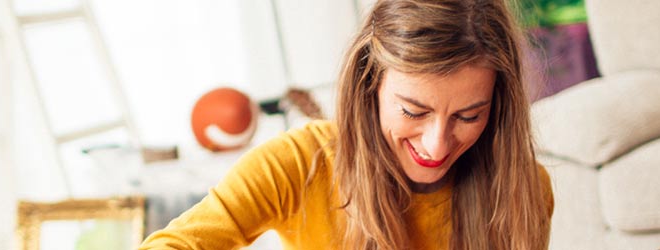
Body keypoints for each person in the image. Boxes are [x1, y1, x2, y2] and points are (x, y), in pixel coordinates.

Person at [139, 0, 553, 249]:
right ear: (370, 83)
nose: (437, 145)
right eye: (413, 112)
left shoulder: (524, 190)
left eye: (469, 116)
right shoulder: (299, 163)